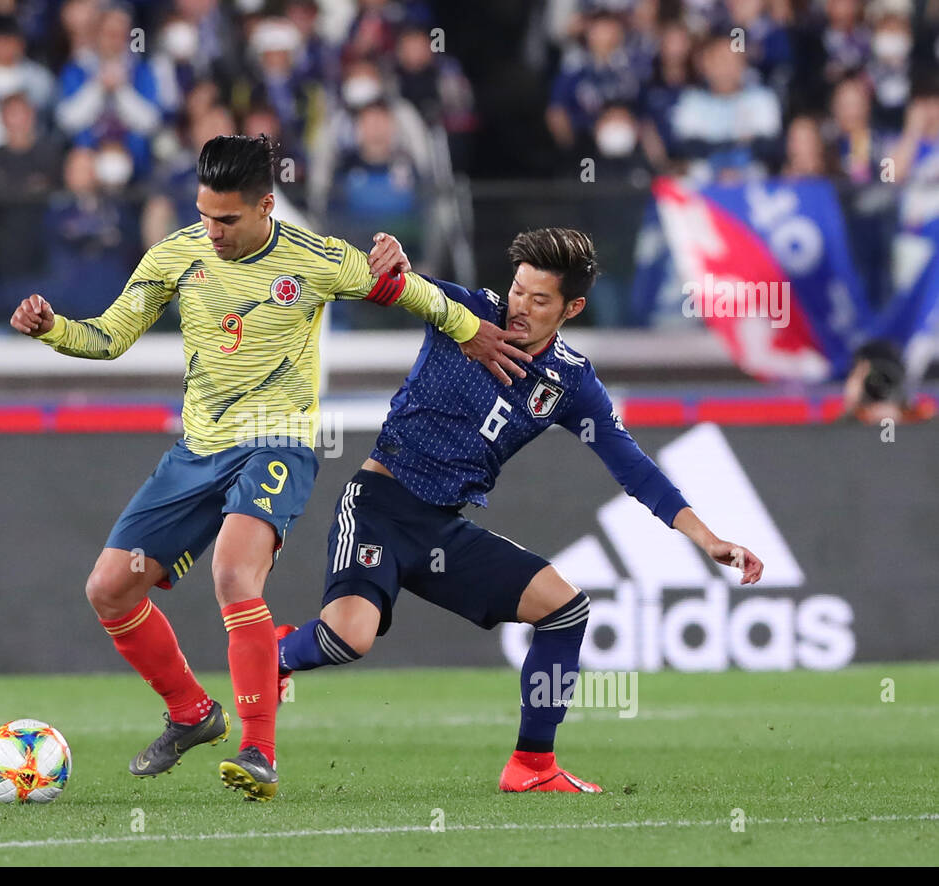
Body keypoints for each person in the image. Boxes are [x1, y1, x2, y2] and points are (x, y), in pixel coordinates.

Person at [9, 133, 533, 801]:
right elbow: (109, 337)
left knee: (233, 571)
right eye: (204, 214)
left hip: (277, 444)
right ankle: (193, 715)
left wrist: (467, 328)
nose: (213, 230)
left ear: (265, 206)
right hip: (196, 452)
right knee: (109, 588)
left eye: (227, 219)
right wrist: (53, 326)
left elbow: (409, 293)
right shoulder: (175, 256)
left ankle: (259, 751)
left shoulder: (316, 259)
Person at [275, 227, 766, 793]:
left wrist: (708, 540)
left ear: (571, 308)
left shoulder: (570, 382)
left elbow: (634, 470)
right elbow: (387, 283)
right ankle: (275, 652)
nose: (519, 308)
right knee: (347, 640)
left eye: (539, 300)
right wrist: (384, 256)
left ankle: (532, 767)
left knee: (566, 610)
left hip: (442, 532)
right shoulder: (461, 311)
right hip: (379, 507)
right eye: (517, 290)